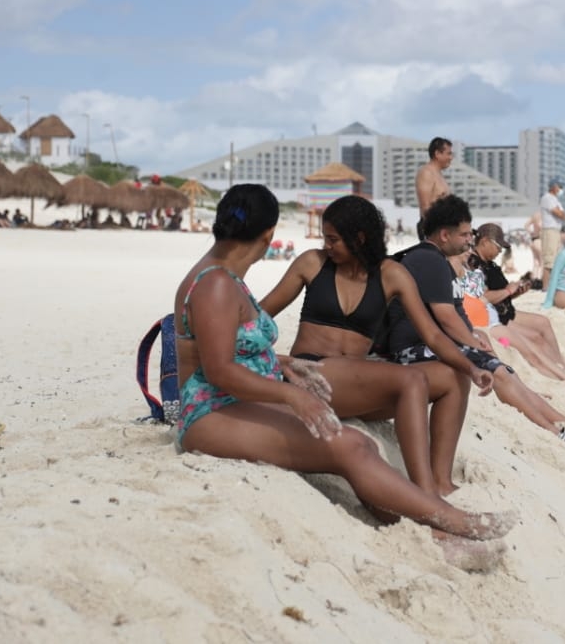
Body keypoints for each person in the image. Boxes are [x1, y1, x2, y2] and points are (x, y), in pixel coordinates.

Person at [172, 184, 512, 563]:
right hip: (211, 411)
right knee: (352, 445)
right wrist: (293, 394)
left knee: (361, 444)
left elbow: (233, 344)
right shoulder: (217, 285)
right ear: (268, 235)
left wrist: (282, 363)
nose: (326, 244)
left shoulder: (223, 280)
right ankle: (452, 523)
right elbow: (220, 371)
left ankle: (429, 530)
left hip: (237, 402)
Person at [260, 194, 494, 497]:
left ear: (359, 238)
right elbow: (257, 318)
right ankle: (425, 496)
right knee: (410, 379)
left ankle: (440, 480)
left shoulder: (391, 275)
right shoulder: (312, 263)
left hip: (354, 386)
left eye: (333, 239)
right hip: (313, 374)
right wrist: (275, 359)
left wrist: (471, 367)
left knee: (453, 377)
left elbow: (434, 336)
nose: (326, 246)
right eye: (325, 238)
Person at [384, 195, 565, 450]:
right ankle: (555, 431)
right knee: (495, 368)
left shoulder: (439, 263)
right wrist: (472, 341)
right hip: (410, 350)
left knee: (500, 366)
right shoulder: (429, 260)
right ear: (444, 235)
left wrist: (472, 334)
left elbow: (454, 314)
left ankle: (558, 419)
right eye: (463, 235)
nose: (468, 240)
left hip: (430, 342)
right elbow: (446, 319)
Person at [469, 223, 565, 391]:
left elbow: (499, 294)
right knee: (533, 341)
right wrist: (508, 290)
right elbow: (482, 298)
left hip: (504, 311)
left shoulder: (490, 264)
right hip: (494, 319)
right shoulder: (473, 264)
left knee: (543, 323)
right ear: (484, 241)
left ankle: (561, 366)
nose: (501, 251)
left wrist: (516, 292)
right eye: (499, 247)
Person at [414, 137, 453, 239]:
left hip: (442, 229)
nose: (451, 157)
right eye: (448, 153)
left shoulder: (438, 175)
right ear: (437, 154)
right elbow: (425, 207)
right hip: (433, 231)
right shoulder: (426, 173)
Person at [538, 179, 565, 288]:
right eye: (559, 186)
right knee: (549, 260)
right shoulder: (547, 198)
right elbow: (559, 213)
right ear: (554, 187)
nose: (561, 189)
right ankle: (545, 286)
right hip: (549, 230)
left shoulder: (555, 200)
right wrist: (562, 214)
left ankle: (553, 285)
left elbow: (563, 215)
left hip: (556, 231)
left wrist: (562, 214)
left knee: (556, 259)